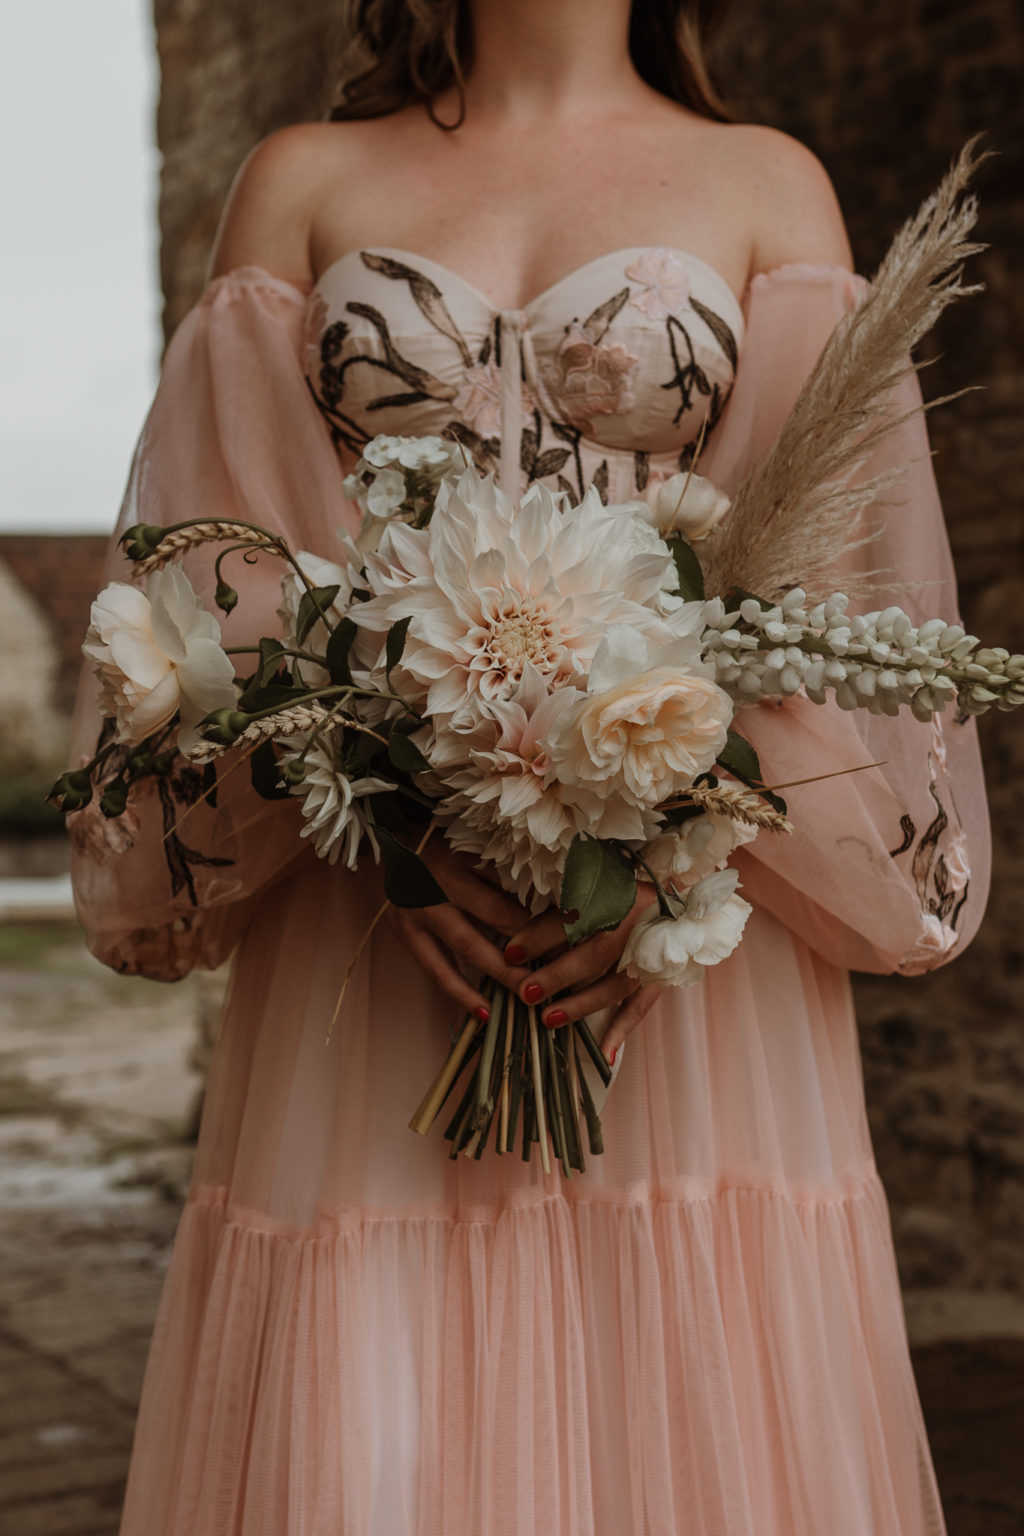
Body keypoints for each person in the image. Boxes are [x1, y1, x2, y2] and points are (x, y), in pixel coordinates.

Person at [69, 1, 991, 1531]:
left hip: (685, 956)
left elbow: (825, 600)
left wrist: (666, 852)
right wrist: (394, 836)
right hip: (376, 922)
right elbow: (229, 586)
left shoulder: (768, 184)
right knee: (377, 1422)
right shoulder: (301, 181)